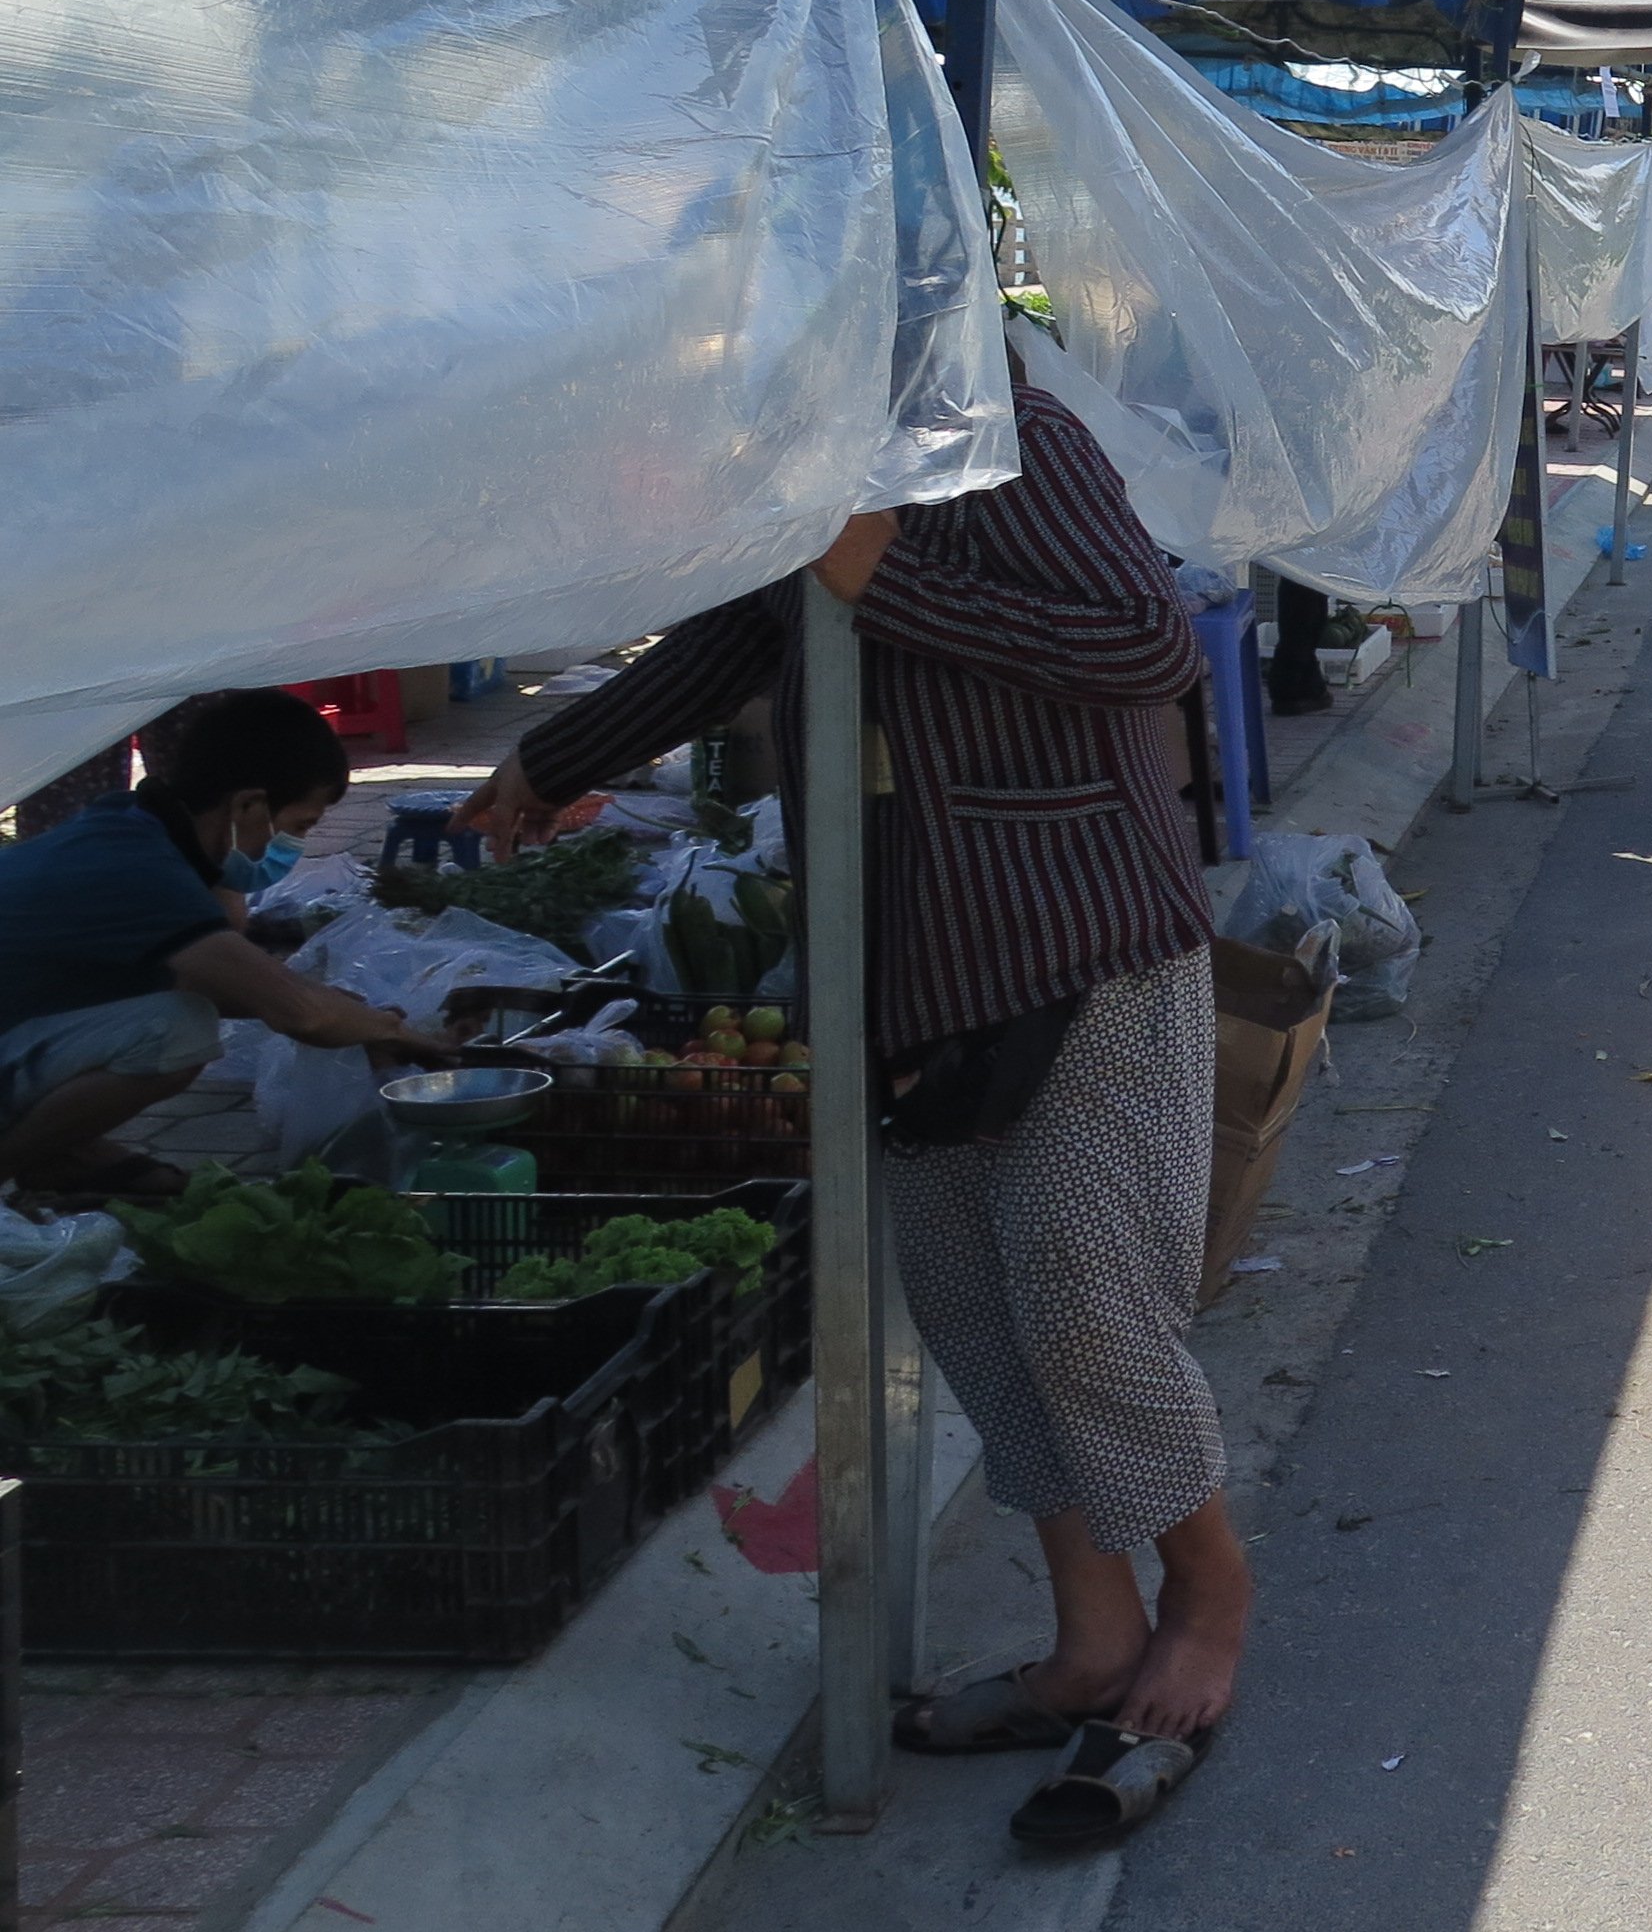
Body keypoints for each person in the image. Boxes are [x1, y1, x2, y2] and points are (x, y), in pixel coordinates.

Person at [463, 365, 1245, 1850]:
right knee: (980, 1311)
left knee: (1086, 1298)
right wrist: (547, 766)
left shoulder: (1011, 438)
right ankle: (1090, 1636)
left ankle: (1211, 1597)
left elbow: (1148, 645)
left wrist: (882, 565)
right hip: (912, 968)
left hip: (1082, 942)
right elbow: (729, 640)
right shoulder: (801, 451)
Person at [0, 691, 442, 1199]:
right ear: (248, 804)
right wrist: (392, 1030)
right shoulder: (144, 869)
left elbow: (223, 983)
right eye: (299, 827)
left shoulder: (130, 826)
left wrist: (354, 1015)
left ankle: (64, 1159)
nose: (293, 848)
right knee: (178, 1031)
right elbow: (301, 1014)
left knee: (177, 1008)